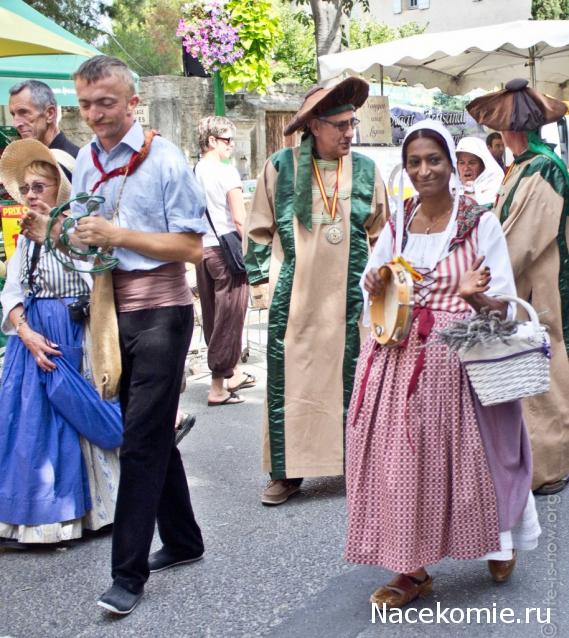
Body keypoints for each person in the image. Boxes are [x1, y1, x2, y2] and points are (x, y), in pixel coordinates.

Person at [345, 119, 540, 608]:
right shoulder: (399, 222)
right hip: (399, 358)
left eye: (434, 160)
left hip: (461, 361)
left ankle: (498, 539)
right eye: (414, 161)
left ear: (452, 165)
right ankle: (411, 570)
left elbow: (505, 306)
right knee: (402, 464)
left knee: (482, 458)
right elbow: (378, 279)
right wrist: (374, 283)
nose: (424, 169)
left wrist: (476, 300)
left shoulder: (480, 222)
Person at [65, 55, 207, 615]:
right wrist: (73, 236)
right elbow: (84, 236)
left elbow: (193, 247)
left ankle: (127, 576)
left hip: (163, 312)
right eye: (85, 104)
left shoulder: (166, 158)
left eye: (105, 102)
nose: (95, 114)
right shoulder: (85, 163)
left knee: (140, 440)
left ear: (132, 103)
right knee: (143, 427)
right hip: (109, 310)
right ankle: (185, 540)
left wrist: (117, 233)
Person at [244, 77, 388, 506]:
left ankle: (360, 466)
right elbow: (257, 228)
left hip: (353, 301)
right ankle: (287, 473)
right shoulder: (280, 167)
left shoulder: (366, 169)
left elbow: (382, 233)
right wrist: (259, 282)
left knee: (357, 380)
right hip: (297, 301)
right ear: (315, 127)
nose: (349, 133)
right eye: (340, 125)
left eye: (352, 123)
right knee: (293, 385)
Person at [0, 139, 122, 545]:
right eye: (27, 188)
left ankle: (86, 512)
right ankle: (31, 516)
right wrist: (25, 330)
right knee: (28, 427)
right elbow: (12, 292)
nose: (31, 195)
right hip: (32, 338)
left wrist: (53, 233)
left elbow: (95, 277)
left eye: (40, 187)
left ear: (60, 190)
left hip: (74, 333)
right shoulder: (25, 237)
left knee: (78, 417)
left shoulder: (77, 230)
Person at [468, 78, 569, 495]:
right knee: (532, 366)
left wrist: (484, 271)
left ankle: (550, 464)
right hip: (527, 281)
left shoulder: (544, 166)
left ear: (513, 130)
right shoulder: (525, 164)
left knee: (544, 365)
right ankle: (536, 460)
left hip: (542, 283)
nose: (500, 136)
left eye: (502, 128)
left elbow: (523, 237)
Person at [194, 116, 255, 406]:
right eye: (227, 139)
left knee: (213, 316)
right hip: (226, 250)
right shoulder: (226, 173)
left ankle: (233, 372)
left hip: (202, 249)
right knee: (230, 317)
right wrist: (253, 251)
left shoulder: (195, 171)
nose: (232, 145)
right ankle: (218, 386)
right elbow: (239, 218)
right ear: (212, 141)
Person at [9, 80, 80, 161]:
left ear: (50, 114)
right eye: (13, 114)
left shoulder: (76, 161)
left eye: (24, 112)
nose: (15, 124)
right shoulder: (27, 159)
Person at [456, 136, 503, 206]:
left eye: (472, 163)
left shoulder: (495, 186)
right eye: (462, 163)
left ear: (483, 165)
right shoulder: (450, 189)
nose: (466, 168)